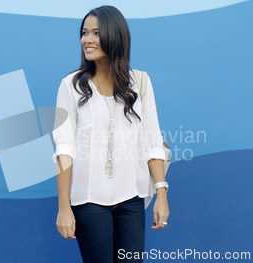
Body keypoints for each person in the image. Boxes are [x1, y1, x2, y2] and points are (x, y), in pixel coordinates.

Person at [52, 5, 169, 263]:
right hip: (88, 201)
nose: (87, 39)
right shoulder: (71, 86)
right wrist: (64, 207)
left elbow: (152, 141)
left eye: (96, 32)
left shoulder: (139, 83)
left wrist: (161, 193)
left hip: (131, 200)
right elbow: (64, 149)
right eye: (84, 33)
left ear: (115, 36)